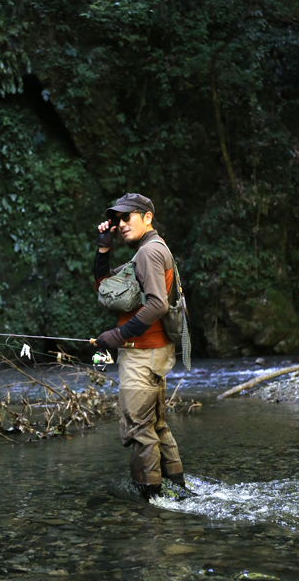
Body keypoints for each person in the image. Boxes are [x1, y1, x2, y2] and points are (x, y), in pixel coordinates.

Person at [94, 192, 185, 501]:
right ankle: (176, 489)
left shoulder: (148, 253)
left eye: (127, 216)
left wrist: (117, 336)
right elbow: (107, 289)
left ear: (147, 217)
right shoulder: (153, 249)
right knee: (156, 425)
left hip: (142, 354)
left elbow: (158, 305)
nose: (120, 223)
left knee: (138, 428)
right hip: (155, 353)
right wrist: (103, 248)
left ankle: (150, 499)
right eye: (117, 218)